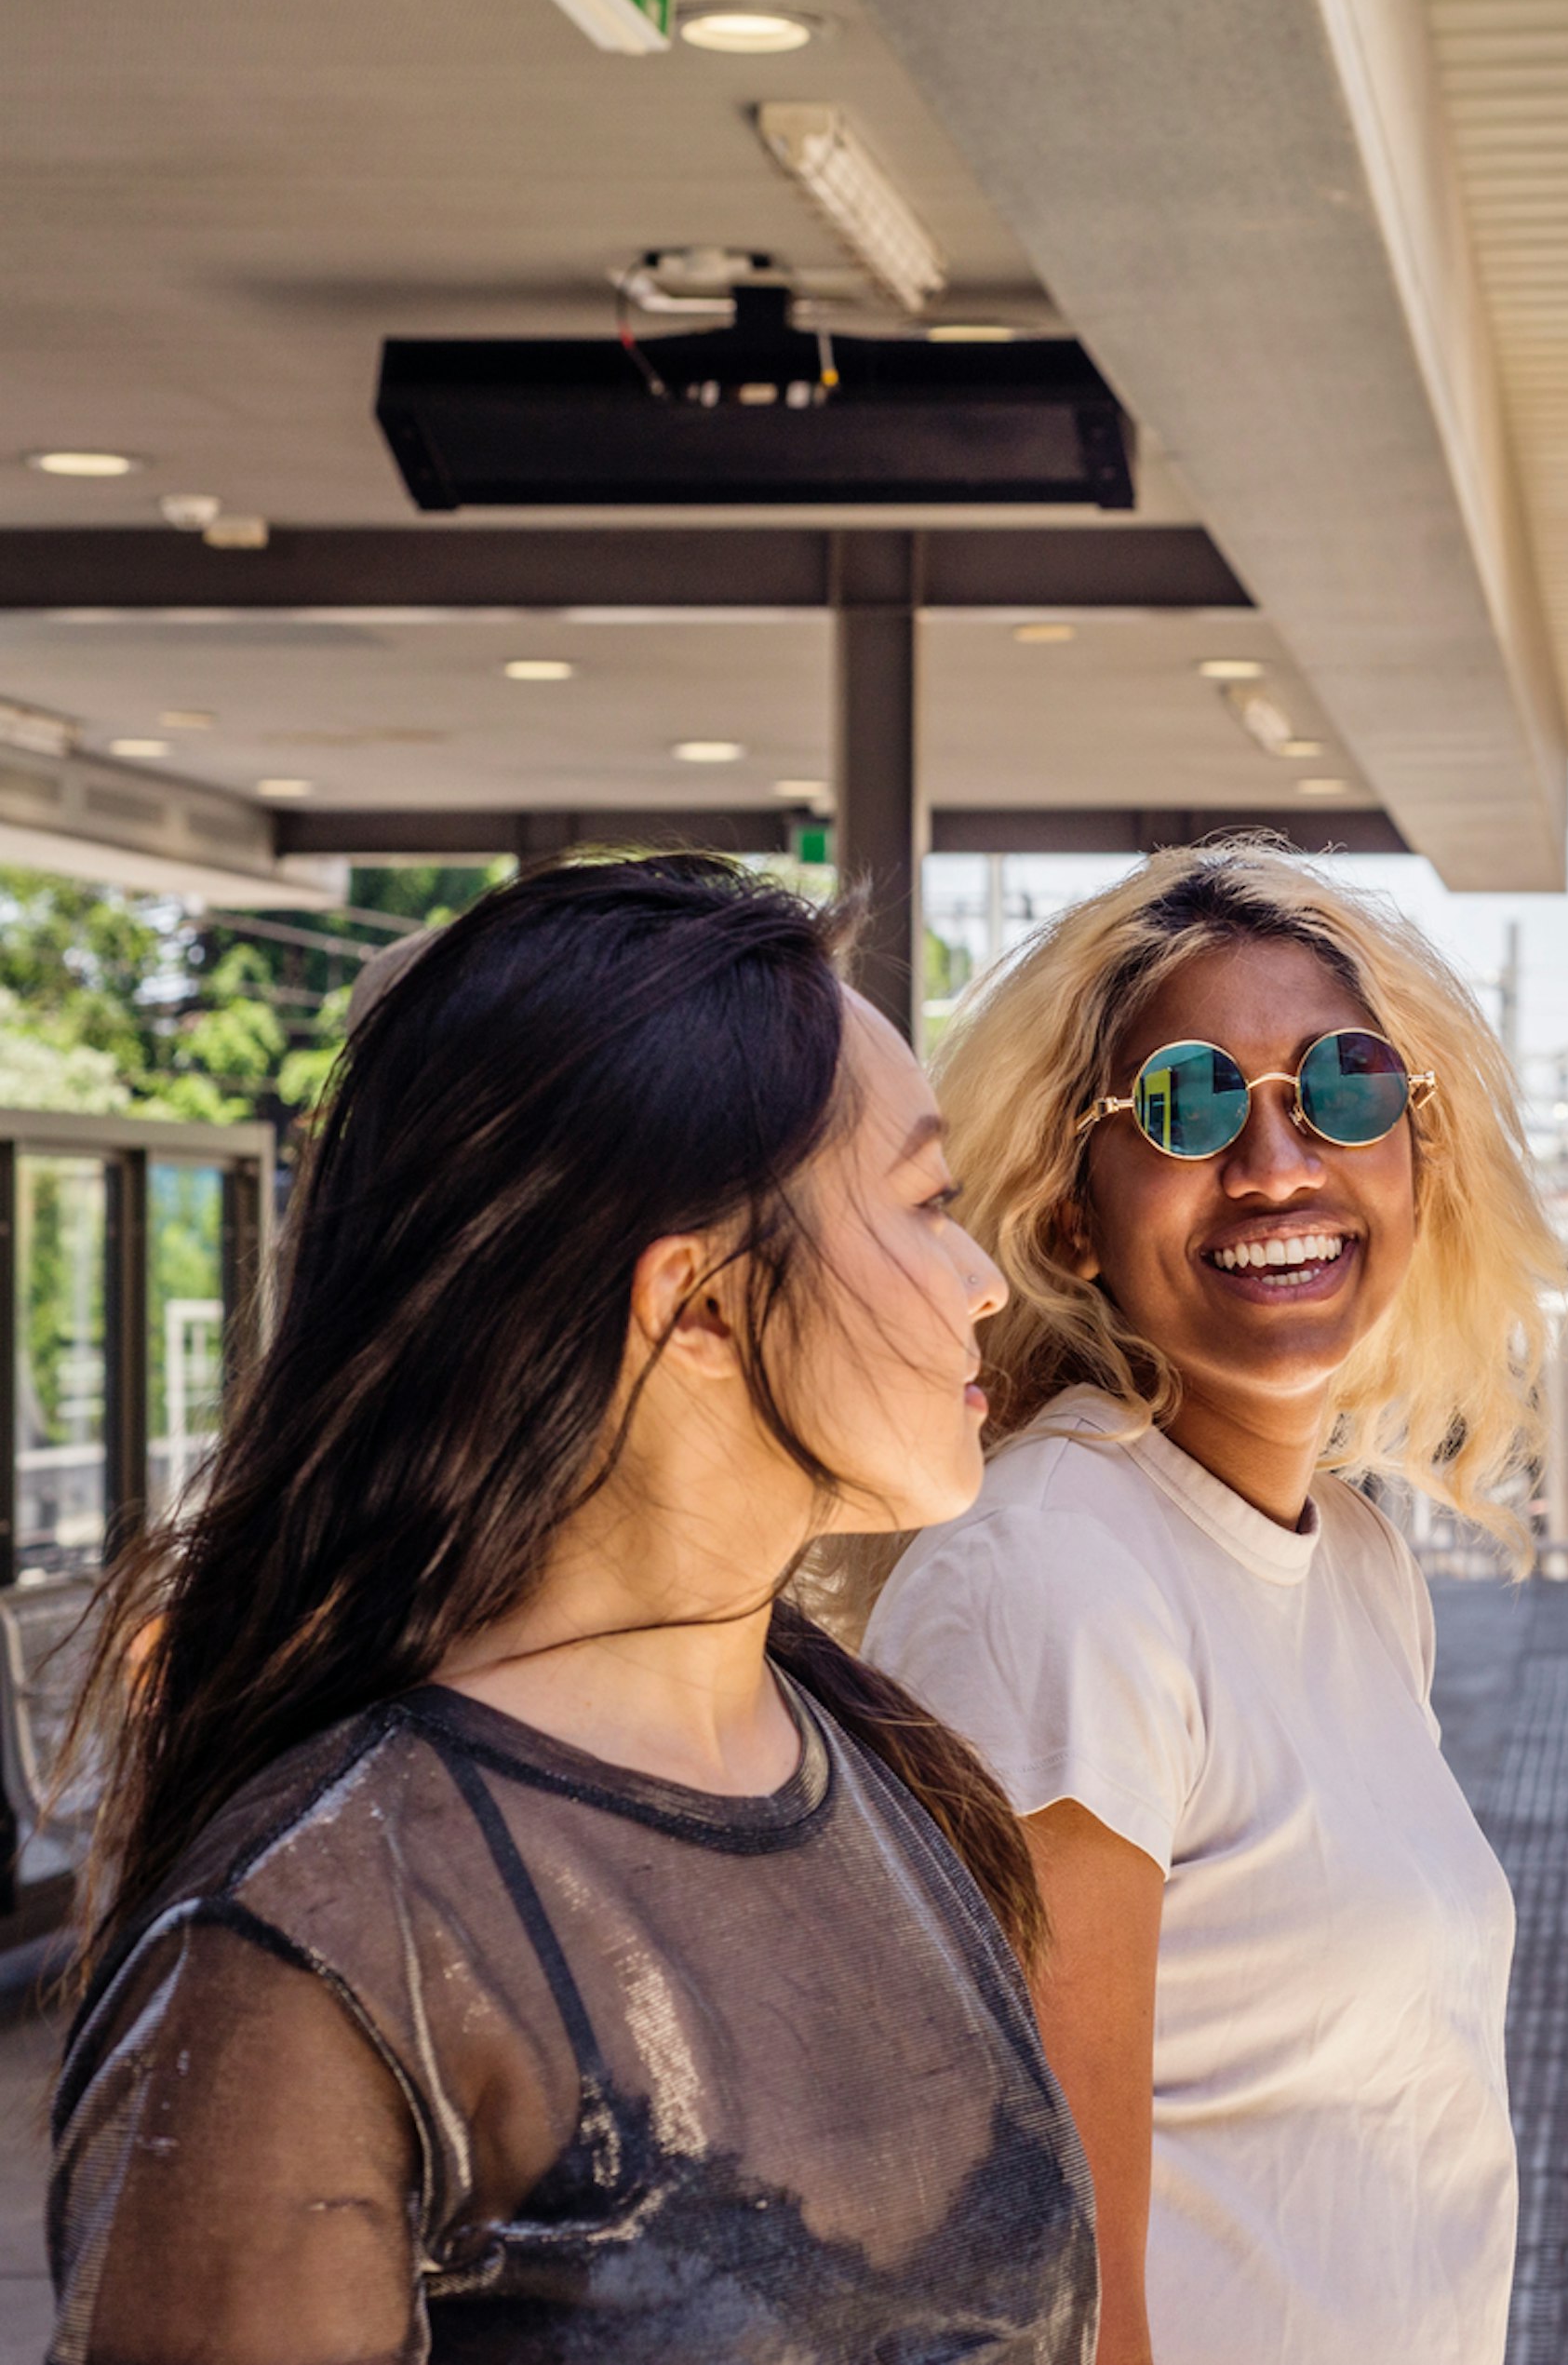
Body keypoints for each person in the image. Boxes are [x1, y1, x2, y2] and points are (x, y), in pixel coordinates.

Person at [50, 856, 1096, 2363]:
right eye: (928, 1202)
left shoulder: (874, 1758)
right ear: (701, 1302)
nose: (984, 1279)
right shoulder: (324, 1931)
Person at [864, 846, 1563, 2365]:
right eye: (1185, 1104)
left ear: (1419, 1158)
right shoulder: (1054, 1578)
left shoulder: (1359, 1566)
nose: (1279, 1161)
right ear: (1066, 1217)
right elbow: (1050, 2290)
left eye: (1345, 1086)